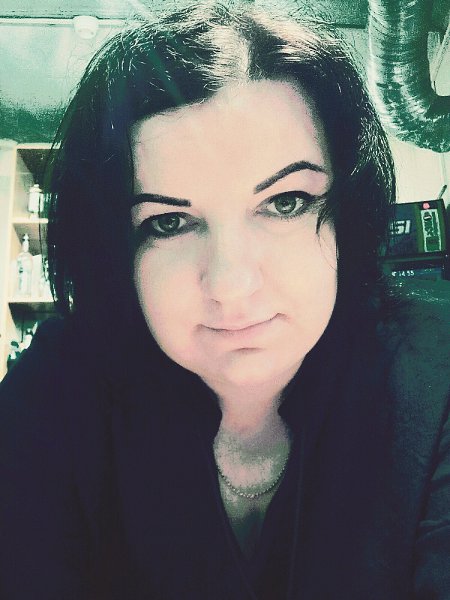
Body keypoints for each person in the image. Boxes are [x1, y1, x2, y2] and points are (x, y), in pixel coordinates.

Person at [0, 2, 449, 599]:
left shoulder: (435, 379)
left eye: (285, 203)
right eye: (168, 223)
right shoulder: (56, 391)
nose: (231, 284)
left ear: (350, 214)